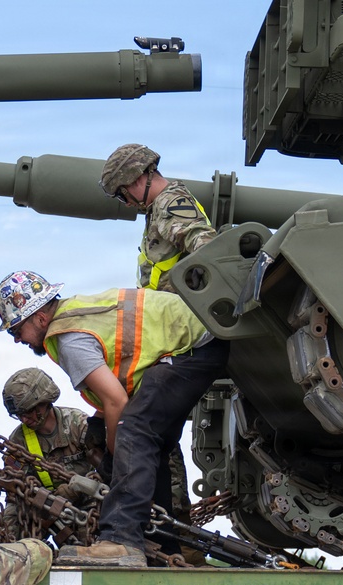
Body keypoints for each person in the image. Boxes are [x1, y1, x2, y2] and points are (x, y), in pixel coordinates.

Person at [0, 270, 228, 567]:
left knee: (133, 431)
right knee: (149, 448)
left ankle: (121, 541)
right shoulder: (75, 317)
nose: (17, 340)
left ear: (39, 317)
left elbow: (116, 401)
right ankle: (165, 549)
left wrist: (117, 455)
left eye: (16, 330)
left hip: (195, 346)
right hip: (201, 343)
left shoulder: (69, 339)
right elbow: (119, 392)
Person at [101, 143, 217, 538]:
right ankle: (169, 531)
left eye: (122, 191)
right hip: (171, 330)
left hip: (186, 331)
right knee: (157, 432)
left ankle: (140, 533)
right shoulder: (159, 211)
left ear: (138, 178)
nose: (125, 199)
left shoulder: (171, 205)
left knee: (139, 426)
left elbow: (206, 246)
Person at [0, 367, 104, 544]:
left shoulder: (77, 424)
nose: (24, 419)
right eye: (19, 415)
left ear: (45, 401)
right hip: (44, 506)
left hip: (85, 500)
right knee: (13, 514)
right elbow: (14, 488)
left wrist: (75, 488)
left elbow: (108, 468)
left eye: (28, 411)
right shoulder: (19, 440)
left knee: (96, 514)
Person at [100, 143, 216, 293]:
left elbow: (203, 241)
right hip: (164, 304)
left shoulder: (168, 202)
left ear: (134, 180)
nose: (127, 203)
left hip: (175, 307)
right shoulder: (159, 206)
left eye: (122, 195)